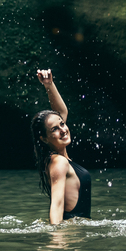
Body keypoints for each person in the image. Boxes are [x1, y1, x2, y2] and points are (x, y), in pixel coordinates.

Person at [31, 68, 92, 223]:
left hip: (77, 231)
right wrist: (56, 242)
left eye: (62, 124)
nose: (63, 130)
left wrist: (49, 85)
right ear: (44, 138)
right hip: (71, 233)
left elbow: (60, 113)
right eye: (55, 129)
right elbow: (57, 205)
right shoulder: (58, 162)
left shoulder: (56, 157)